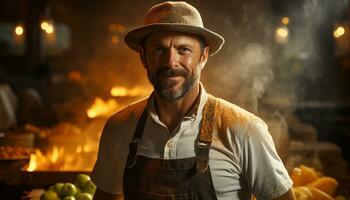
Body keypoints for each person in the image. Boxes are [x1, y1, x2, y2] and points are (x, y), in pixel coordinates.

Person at [92, 1, 295, 200]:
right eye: (159, 50)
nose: (171, 62)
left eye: (184, 50)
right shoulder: (118, 128)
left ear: (203, 56)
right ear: (143, 57)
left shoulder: (244, 130)